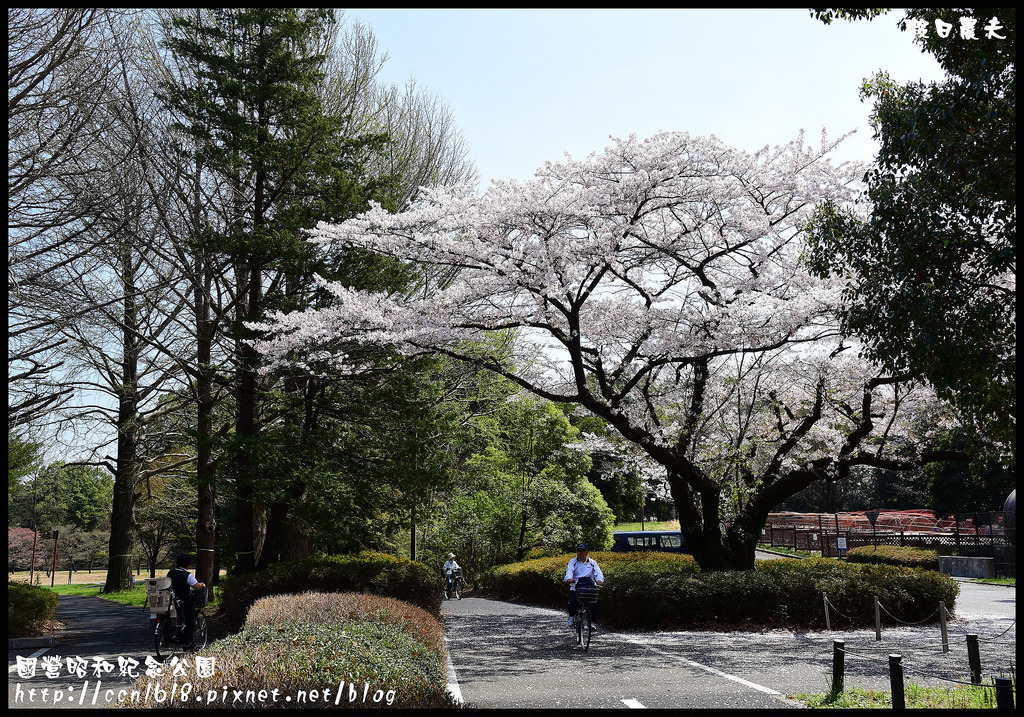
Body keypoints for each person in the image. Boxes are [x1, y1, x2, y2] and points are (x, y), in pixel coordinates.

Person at [168, 554, 206, 645]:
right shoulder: (187, 575)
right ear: (188, 565)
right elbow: (196, 586)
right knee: (190, 621)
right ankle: (186, 643)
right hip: (183, 599)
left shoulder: (170, 572)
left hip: (171, 599)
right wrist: (202, 584)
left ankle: (173, 634)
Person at [564, 543, 604, 628]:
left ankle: (592, 623)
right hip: (576, 586)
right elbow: (569, 571)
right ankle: (571, 617)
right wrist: (569, 579)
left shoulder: (592, 562)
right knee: (573, 603)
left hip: (588, 588)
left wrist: (599, 580)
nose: (580, 552)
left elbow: (598, 573)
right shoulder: (573, 562)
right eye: (578, 550)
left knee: (593, 604)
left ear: (587, 552)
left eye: (582, 550)